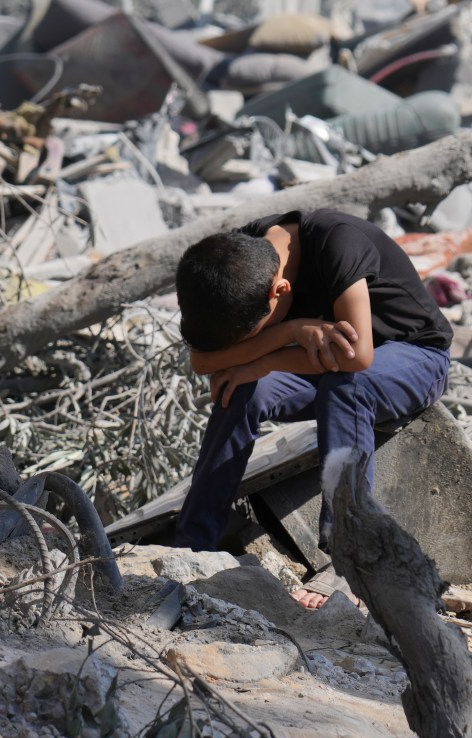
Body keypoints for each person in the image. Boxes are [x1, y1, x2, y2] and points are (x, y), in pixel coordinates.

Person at [173, 209, 453, 608]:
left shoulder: (339, 243)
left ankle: (348, 558)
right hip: (317, 358)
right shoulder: (235, 258)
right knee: (239, 390)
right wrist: (289, 332)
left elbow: (356, 357)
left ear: (280, 291)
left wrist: (264, 359)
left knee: (347, 385)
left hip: (415, 357)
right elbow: (203, 362)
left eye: (250, 333)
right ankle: (194, 542)